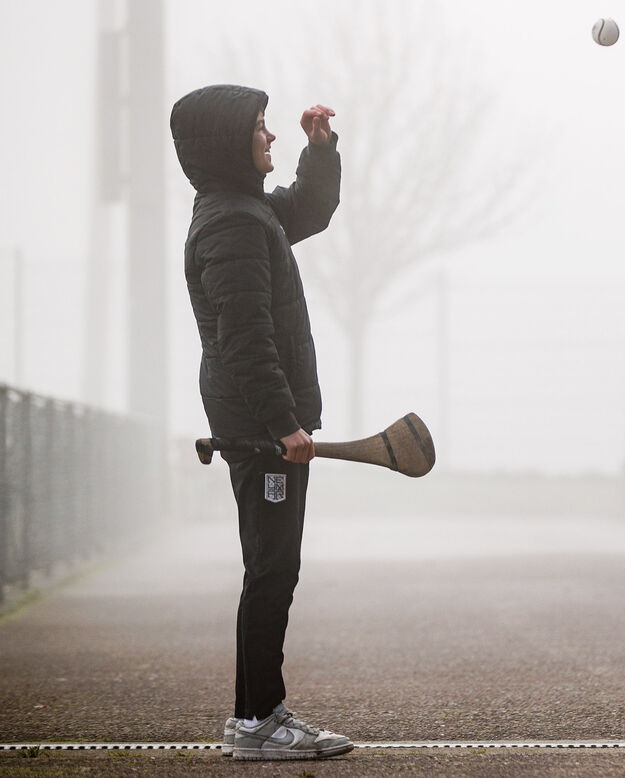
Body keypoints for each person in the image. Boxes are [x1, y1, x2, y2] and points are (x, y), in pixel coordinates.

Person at [170, 84, 352, 761]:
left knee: (273, 568)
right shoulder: (233, 225)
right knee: (271, 571)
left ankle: (255, 716)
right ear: (226, 141)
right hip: (260, 431)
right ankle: (257, 722)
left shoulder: (246, 212)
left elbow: (310, 209)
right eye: (261, 127)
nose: (270, 136)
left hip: (261, 426)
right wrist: (283, 423)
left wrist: (320, 150)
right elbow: (245, 337)